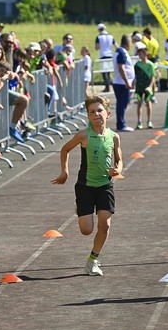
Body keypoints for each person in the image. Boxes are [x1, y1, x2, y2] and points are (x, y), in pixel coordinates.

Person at [50, 95, 123, 276]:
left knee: (105, 226)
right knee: (86, 230)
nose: (96, 114)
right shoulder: (84, 135)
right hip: (86, 186)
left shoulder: (114, 137)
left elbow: (119, 159)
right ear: (88, 116)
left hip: (105, 186)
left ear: (108, 113)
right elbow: (65, 149)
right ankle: (80, 206)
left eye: (100, 110)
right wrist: (64, 172)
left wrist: (117, 169)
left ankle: (93, 260)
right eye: (92, 111)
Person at [112, 34, 135, 132]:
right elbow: (121, 67)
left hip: (120, 82)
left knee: (123, 104)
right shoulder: (122, 53)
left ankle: (121, 123)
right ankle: (121, 124)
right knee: (122, 104)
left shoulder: (120, 52)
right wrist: (126, 81)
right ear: (128, 43)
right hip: (121, 83)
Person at [133, 41, 157, 130]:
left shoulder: (150, 65)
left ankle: (149, 121)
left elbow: (152, 77)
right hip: (139, 86)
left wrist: (151, 86)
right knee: (139, 103)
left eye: (141, 54)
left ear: (145, 54)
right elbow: (135, 76)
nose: (139, 56)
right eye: (138, 54)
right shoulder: (137, 65)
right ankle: (139, 122)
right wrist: (133, 83)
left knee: (148, 102)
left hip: (147, 86)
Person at [95, 24, 116, 92]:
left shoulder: (99, 37)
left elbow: (97, 47)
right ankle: (109, 86)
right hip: (110, 55)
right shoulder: (111, 36)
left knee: (104, 73)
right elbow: (116, 45)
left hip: (103, 55)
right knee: (108, 72)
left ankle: (107, 87)